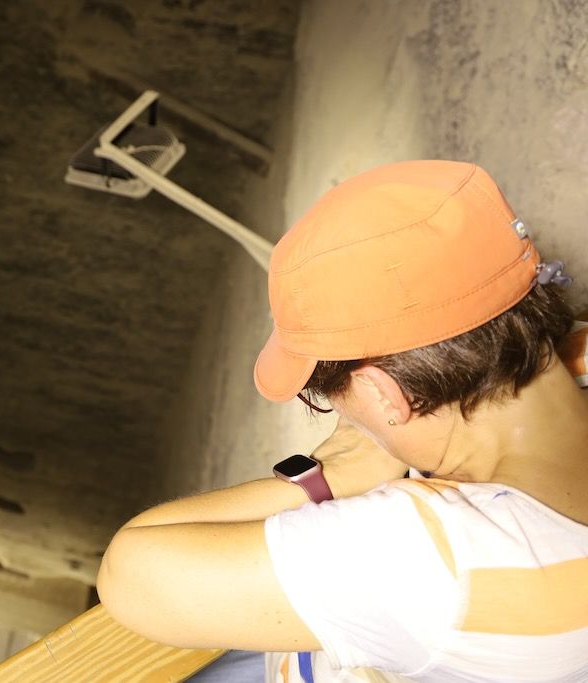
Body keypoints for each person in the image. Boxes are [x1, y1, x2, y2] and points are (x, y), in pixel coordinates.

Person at [96, 160, 588, 682]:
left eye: (340, 405)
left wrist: (330, 477)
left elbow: (131, 575)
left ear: (383, 394)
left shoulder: (425, 554)